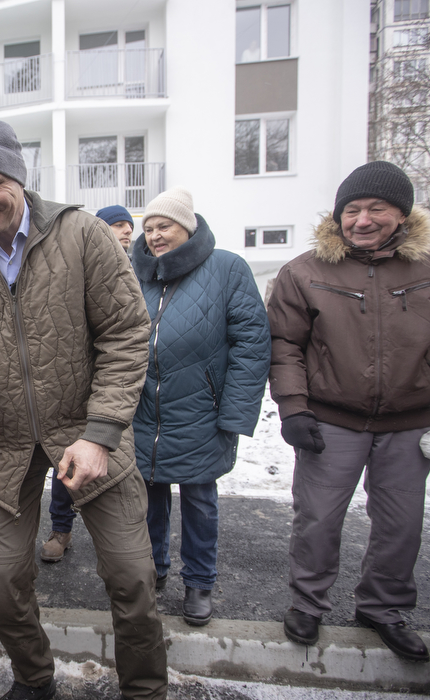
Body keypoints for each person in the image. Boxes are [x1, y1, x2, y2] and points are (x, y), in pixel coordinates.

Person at [0, 118, 166, 700]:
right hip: (1, 443)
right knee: (5, 581)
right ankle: (34, 681)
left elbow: (126, 334)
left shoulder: (81, 235)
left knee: (132, 577)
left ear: (21, 179)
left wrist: (101, 433)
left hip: (91, 432)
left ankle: (146, 691)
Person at [267, 161, 430, 662]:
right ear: (338, 216)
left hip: (409, 423)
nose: (362, 220)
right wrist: (294, 409)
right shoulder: (305, 271)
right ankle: (308, 603)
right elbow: (284, 346)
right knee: (317, 518)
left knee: (401, 523)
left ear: (401, 214)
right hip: (330, 420)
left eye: (376, 209)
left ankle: (383, 608)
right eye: (352, 210)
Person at [129, 188, 270, 626]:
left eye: (164, 226)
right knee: (147, 498)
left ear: (187, 226)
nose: (154, 236)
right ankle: (153, 572)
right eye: (148, 228)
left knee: (200, 502)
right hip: (141, 412)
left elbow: (252, 344)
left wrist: (234, 413)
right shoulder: (134, 273)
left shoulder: (227, 268)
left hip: (200, 410)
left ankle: (199, 582)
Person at [42, 204, 136, 564]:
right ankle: (60, 530)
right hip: (75, 393)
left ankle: (116, 544)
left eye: (128, 225)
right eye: (116, 225)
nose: (125, 231)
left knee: (116, 475)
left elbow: (128, 332)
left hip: (121, 388)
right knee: (65, 469)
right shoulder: (78, 265)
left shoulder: (141, 268)